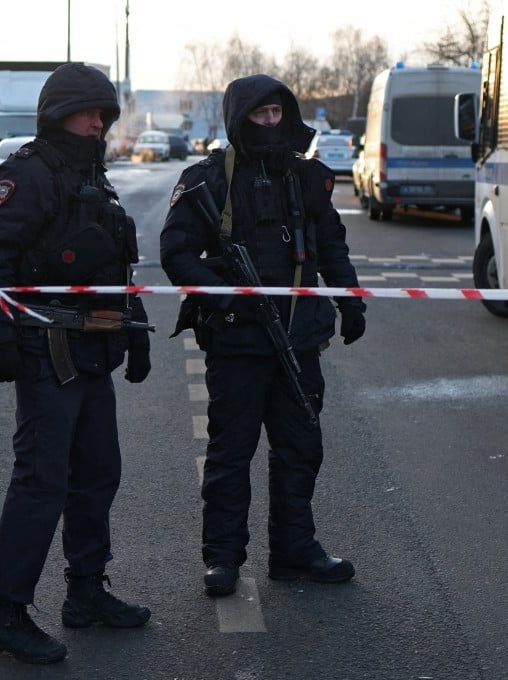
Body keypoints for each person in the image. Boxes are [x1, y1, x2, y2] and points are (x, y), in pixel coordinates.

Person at [0, 62, 152, 665]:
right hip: (47, 350)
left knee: (99, 474)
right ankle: (6, 612)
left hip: (94, 350)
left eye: (105, 115)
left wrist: (135, 330)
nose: (99, 123)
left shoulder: (95, 177)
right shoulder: (32, 174)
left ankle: (87, 592)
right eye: (89, 112)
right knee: (41, 482)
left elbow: (116, 264)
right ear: (58, 113)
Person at [159, 74, 366, 598]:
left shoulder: (306, 178)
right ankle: (223, 559)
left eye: (278, 113)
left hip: (298, 339)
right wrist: (227, 296)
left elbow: (333, 245)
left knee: (300, 449)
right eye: (260, 114)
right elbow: (177, 254)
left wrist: (349, 299)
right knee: (231, 453)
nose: (272, 123)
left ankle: (295, 549)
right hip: (237, 345)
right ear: (239, 118)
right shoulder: (208, 181)